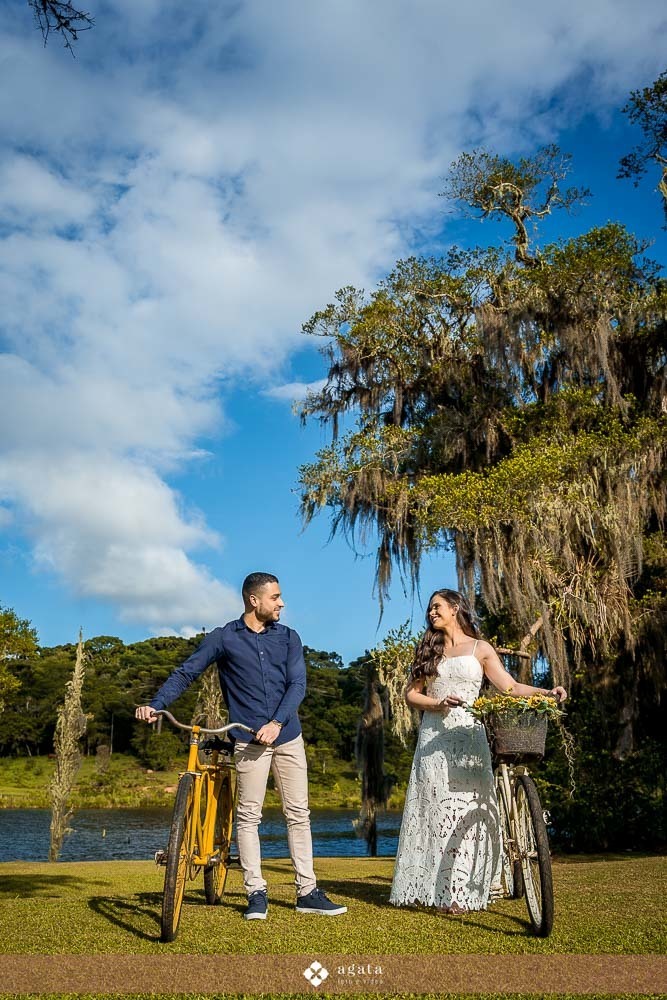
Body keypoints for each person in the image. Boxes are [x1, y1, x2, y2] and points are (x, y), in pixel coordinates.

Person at [135, 572, 347, 921]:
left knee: (298, 814)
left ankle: (307, 892)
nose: (281, 603)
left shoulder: (289, 638)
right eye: (275, 597)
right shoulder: (224, 638)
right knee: (249, 817)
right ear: (254, 600)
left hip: (287, 736)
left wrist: (276, 723)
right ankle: (256, 893)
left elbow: (297, 685)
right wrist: (157, 704)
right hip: (248, 741)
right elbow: (187, 672)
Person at [389, 588, 567, 915]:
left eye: (437, 607)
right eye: (429, 609)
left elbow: (510, 687)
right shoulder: (429, 649)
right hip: (434, 738)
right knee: (434, 812)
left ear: (455, 607)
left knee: (467, 808)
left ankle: (460, 891)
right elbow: (411, 695)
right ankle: (429, 888)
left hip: (470, 735)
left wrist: (546, 692)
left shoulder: (480, 648)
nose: (431, 613)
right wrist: (438, 703)